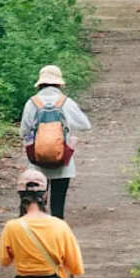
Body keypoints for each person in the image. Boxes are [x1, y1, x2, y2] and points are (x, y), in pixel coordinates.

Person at [19, 64, 91, 219]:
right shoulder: (66, 102)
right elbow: (85, 125)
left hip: (38, 162)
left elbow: (23, 131)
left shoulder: (32, 103)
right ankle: (57, 231)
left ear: (40, 83)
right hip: (62, 160)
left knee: (37, 202)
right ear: (59, 83)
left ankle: (38, 230)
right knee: (58, 203)